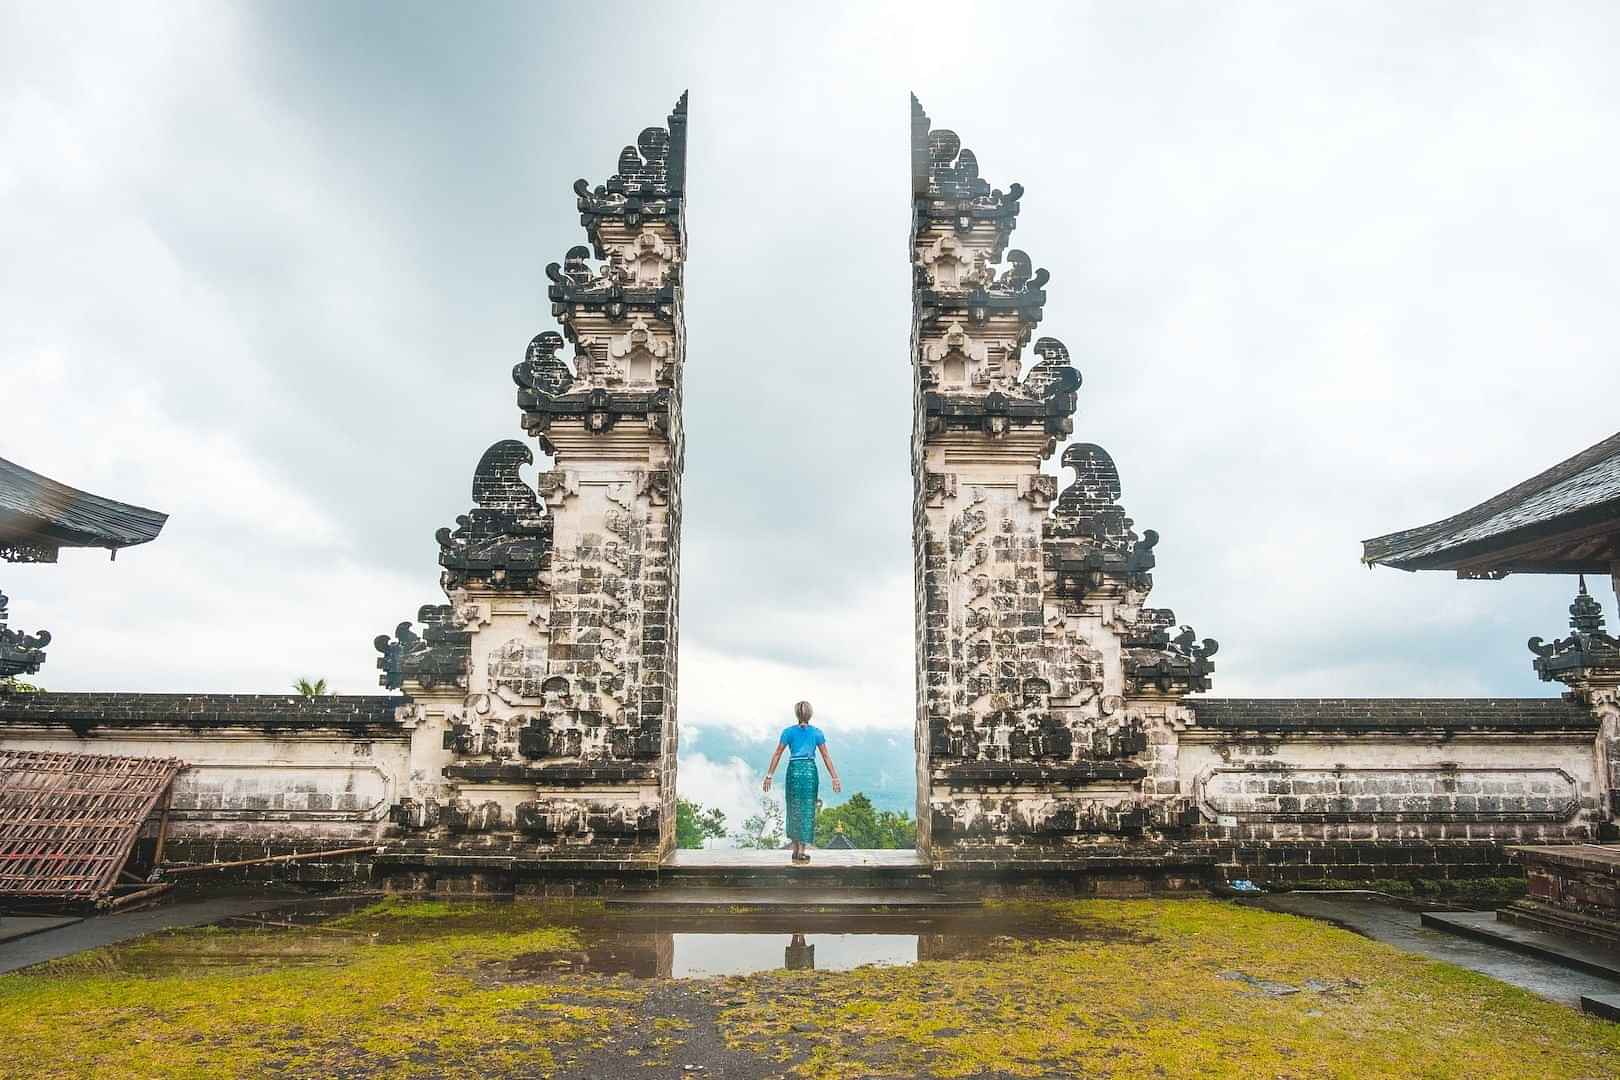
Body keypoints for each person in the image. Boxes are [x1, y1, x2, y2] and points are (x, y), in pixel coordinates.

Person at [762, 700, 841, 864]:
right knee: (807, 809)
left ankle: (795, 849)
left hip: (794, 771)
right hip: (809, 772)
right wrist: (835, 777)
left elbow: (777, 754)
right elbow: (826, 756)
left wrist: (769, 775)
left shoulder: (788, 732)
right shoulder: (817, 733)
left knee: (795, 808)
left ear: (796, 714)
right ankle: (802, 851)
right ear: (810, 714)